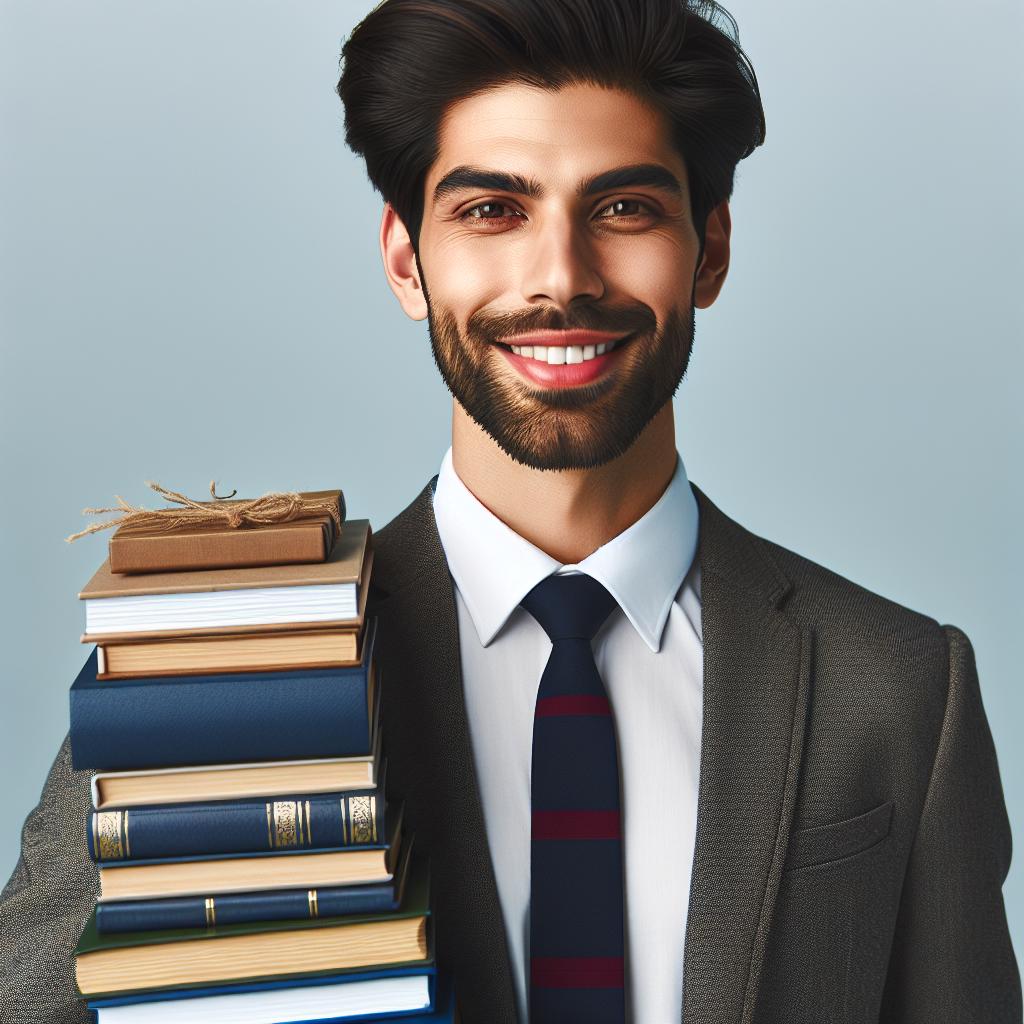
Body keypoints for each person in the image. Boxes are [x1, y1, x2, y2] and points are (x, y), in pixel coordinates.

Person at [1, 1, 1019, 1022]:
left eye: (622, 208)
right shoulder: (208, 672)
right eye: (493, 210)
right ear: (407, 261)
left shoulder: (897, 689)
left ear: (708, 251)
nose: (560, 278)